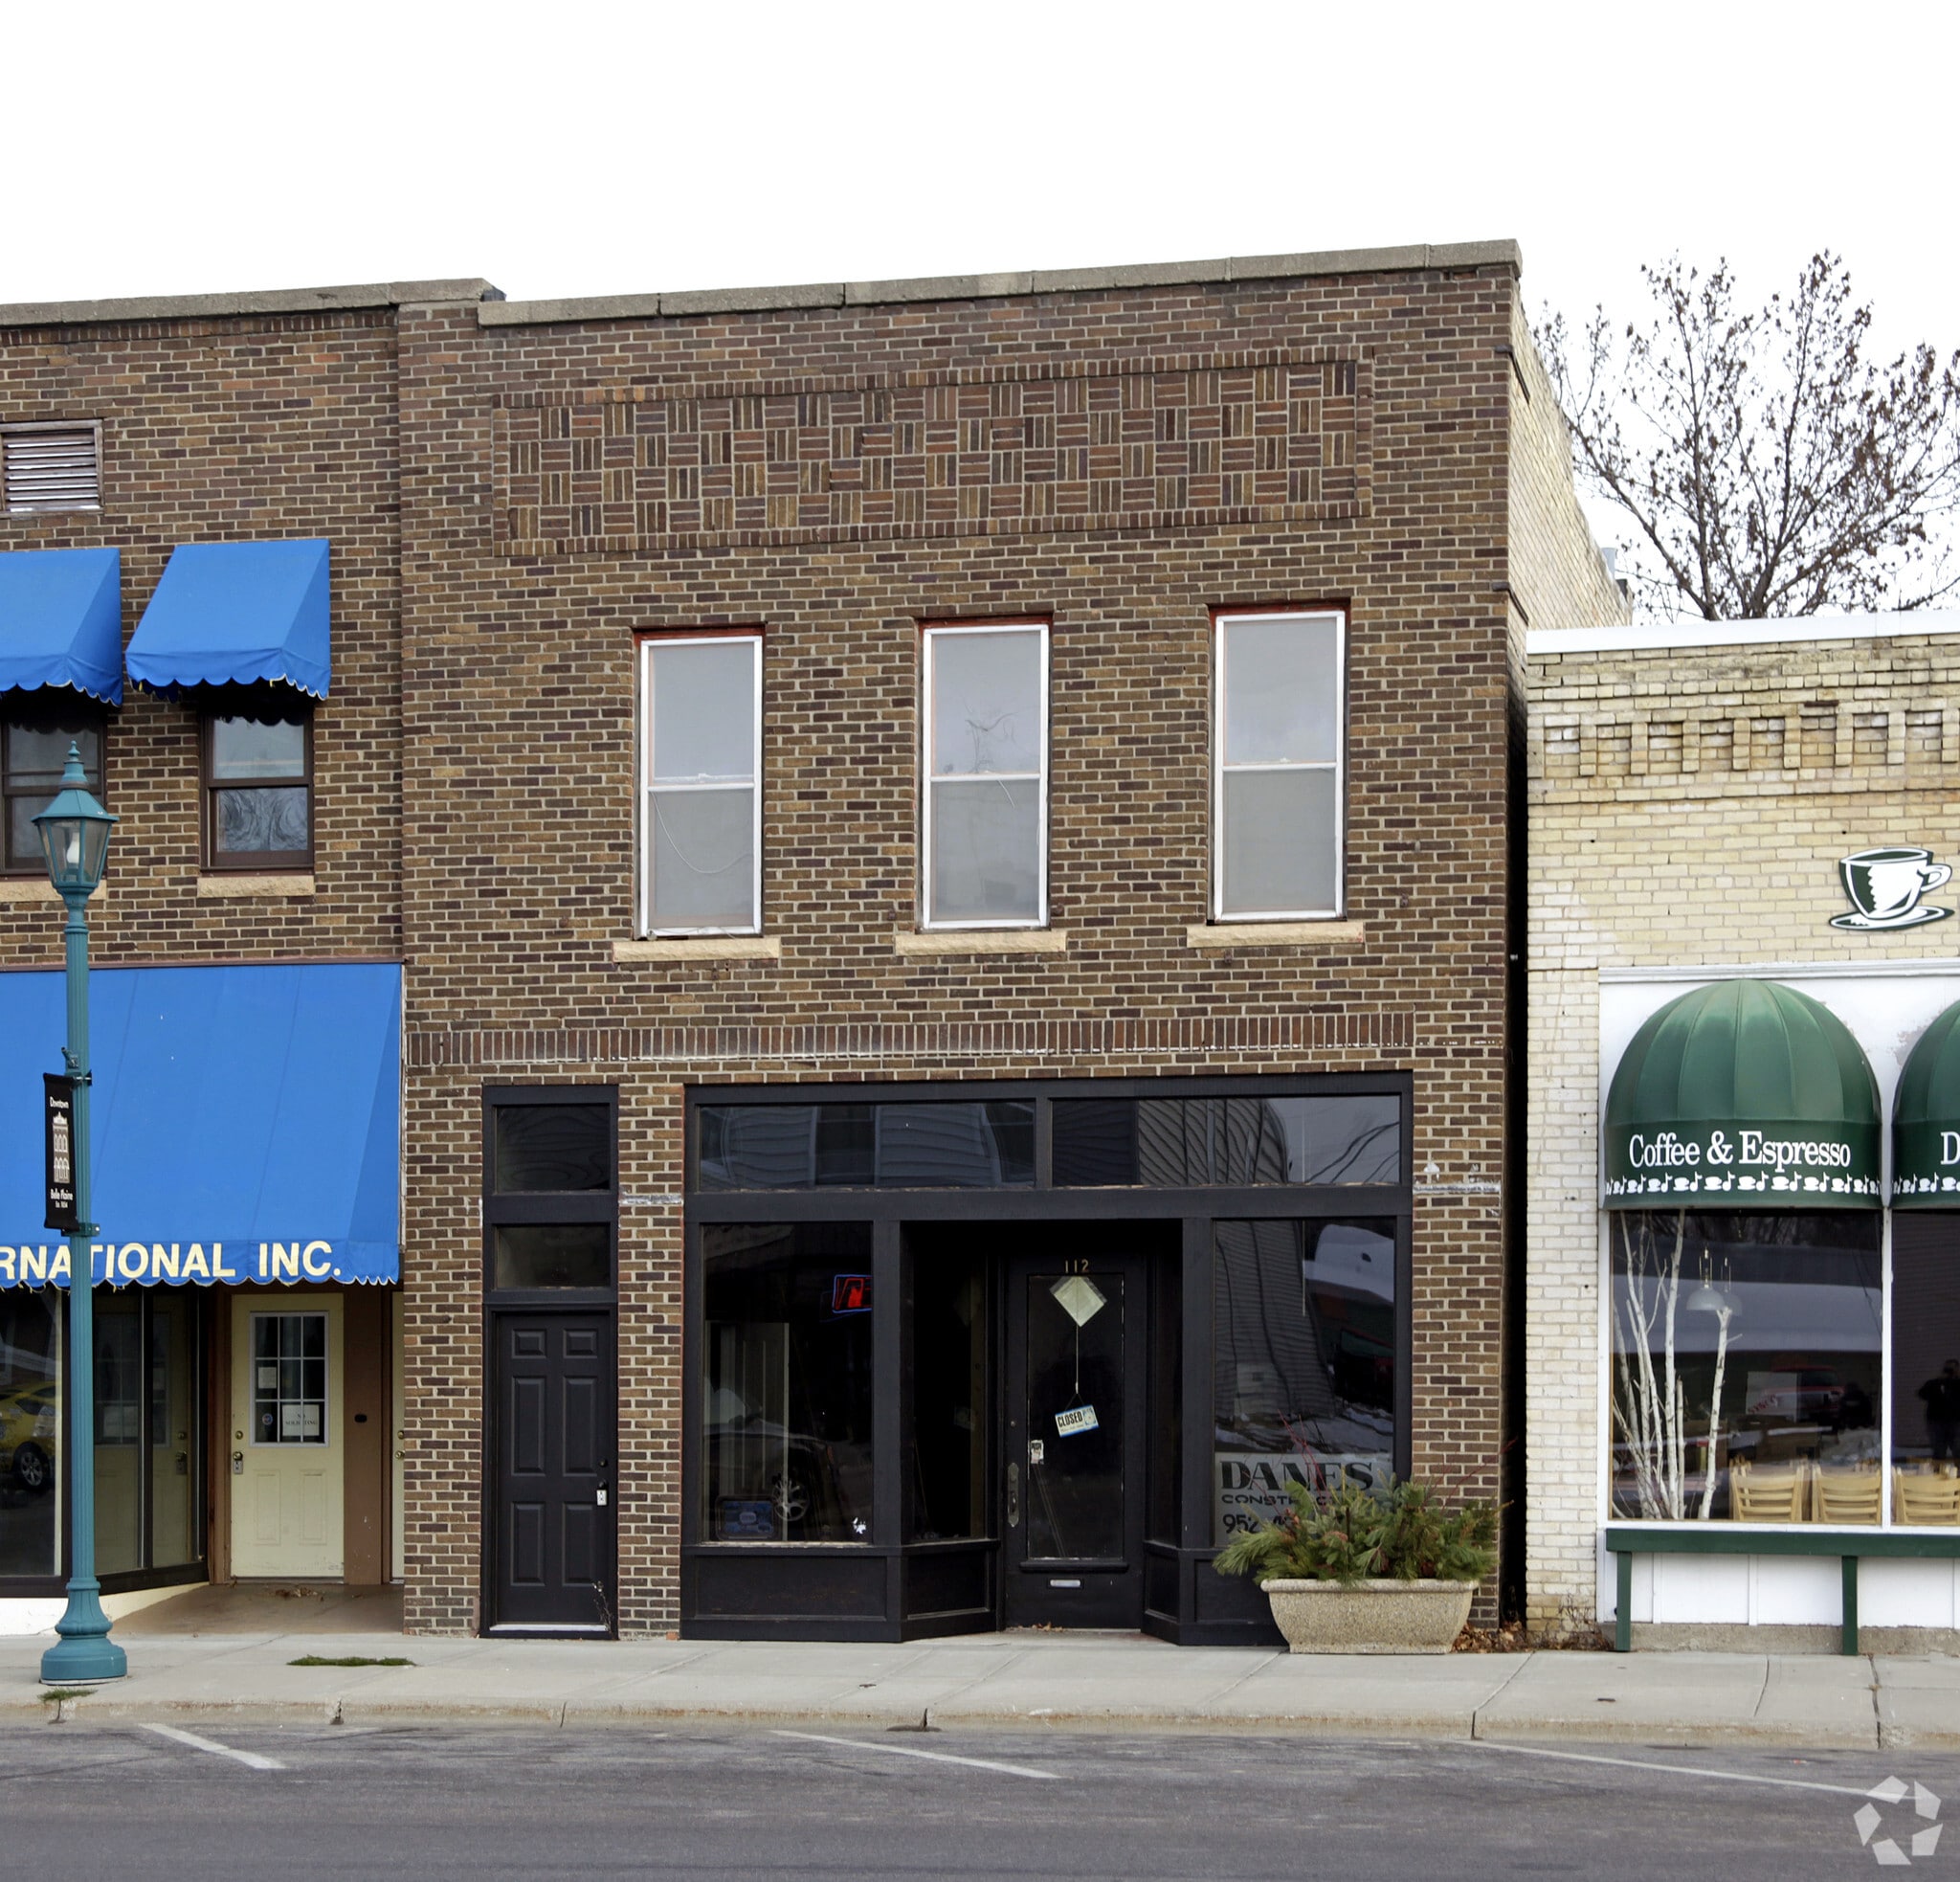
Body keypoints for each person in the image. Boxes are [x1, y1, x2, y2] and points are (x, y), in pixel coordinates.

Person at [1918, 1359, 1960, 1462]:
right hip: (1938, 1422)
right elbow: (1922, 1393)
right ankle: (1938, 1472)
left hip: (1953, 1421)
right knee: (1939, 1450)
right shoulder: (1934, 1384)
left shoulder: (1956, 1384)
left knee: (1956, 1449)